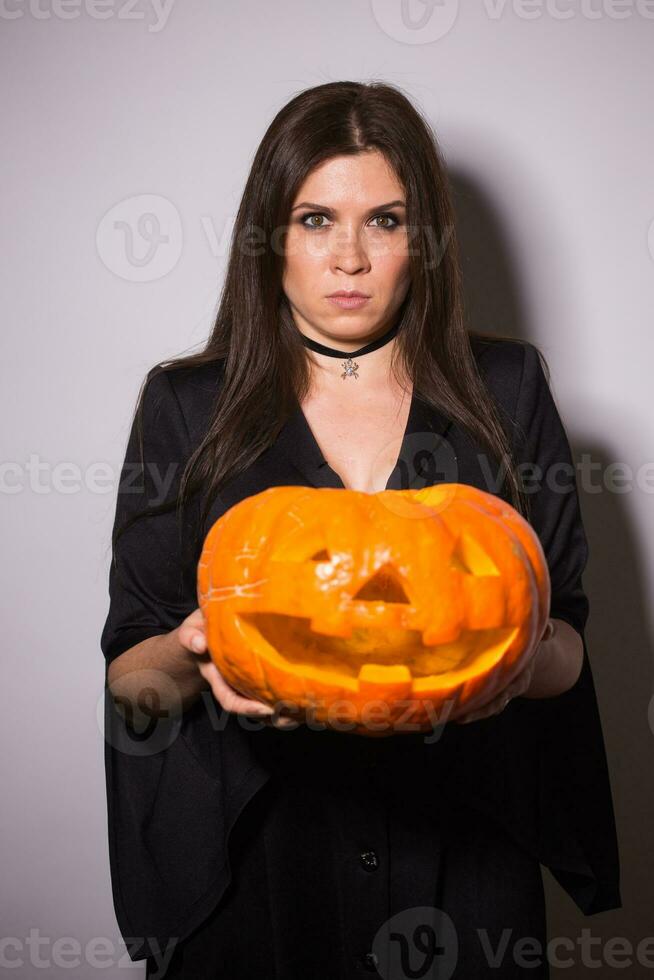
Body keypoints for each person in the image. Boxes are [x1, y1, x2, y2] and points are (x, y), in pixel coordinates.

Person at [100, 81, 621, 979]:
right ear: (270, 237)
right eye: (314, 220)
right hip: (261, 873)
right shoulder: (188, 405)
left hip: (464, 870)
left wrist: (508, 663)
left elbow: (568, 637)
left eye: (384, 221)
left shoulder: (508, 389)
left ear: (425, 242)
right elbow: (130, 683)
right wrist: (195, 648)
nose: (349, 257)